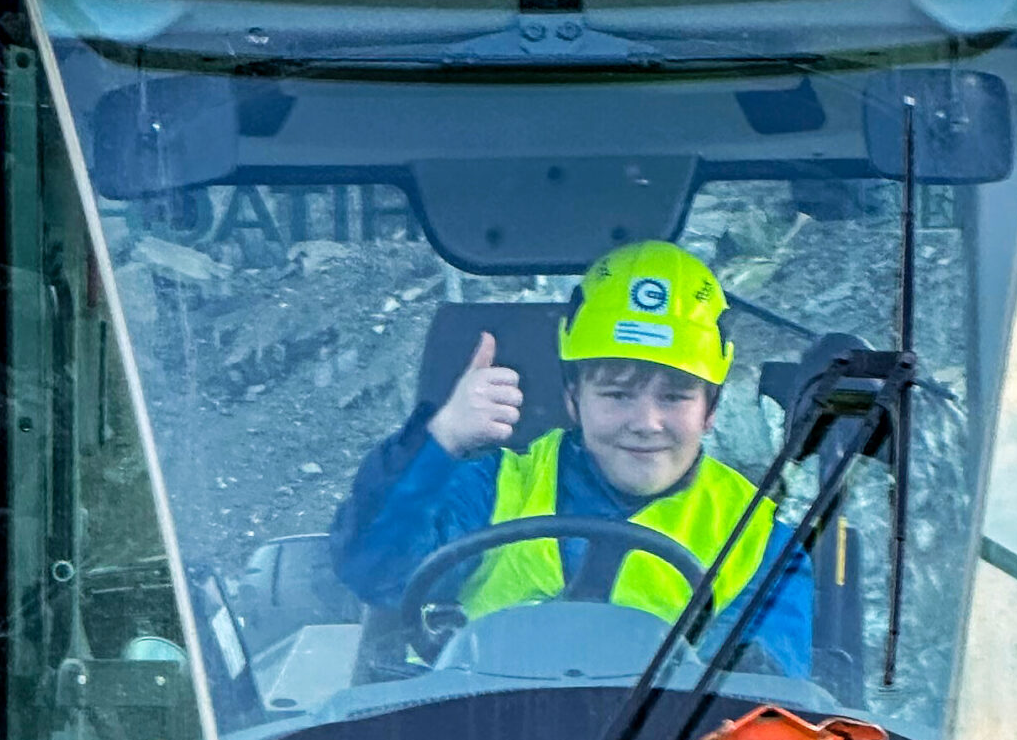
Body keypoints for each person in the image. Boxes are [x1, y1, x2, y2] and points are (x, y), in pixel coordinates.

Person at [330, 241, 812, 676]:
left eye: (674, 396)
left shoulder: (758, 540)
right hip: (474, 735)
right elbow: (377, 571)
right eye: (617, 394)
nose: (646, 422)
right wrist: (442, 438)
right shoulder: (494, 487)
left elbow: (762, 697)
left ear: (710, 409)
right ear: (573, 398)